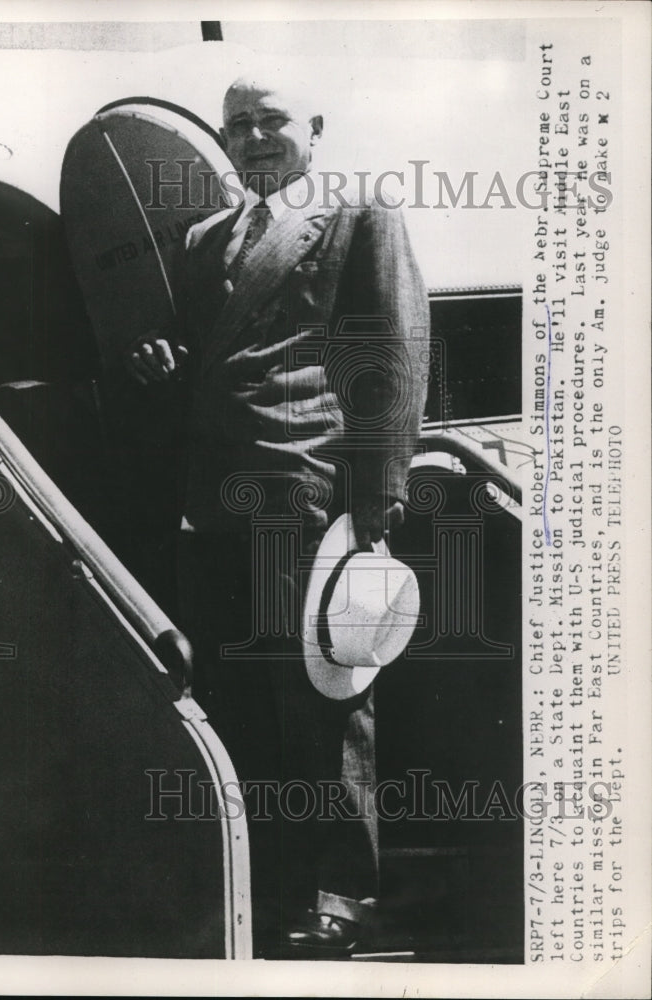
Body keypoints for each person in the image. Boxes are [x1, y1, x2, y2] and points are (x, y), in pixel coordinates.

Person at [128, 74, 430, 957]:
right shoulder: (200, 239)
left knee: (320, 705)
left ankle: (342, 892)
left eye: (272, 121)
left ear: (316, 129)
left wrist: (377, 497)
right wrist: (162, 359)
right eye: (238, 126)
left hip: (302, 493)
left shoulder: (358, 214)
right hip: (207, 502)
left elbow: (394, 351)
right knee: (233, 701)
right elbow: (208, 356)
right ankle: (265, 881)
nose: (255, 138)